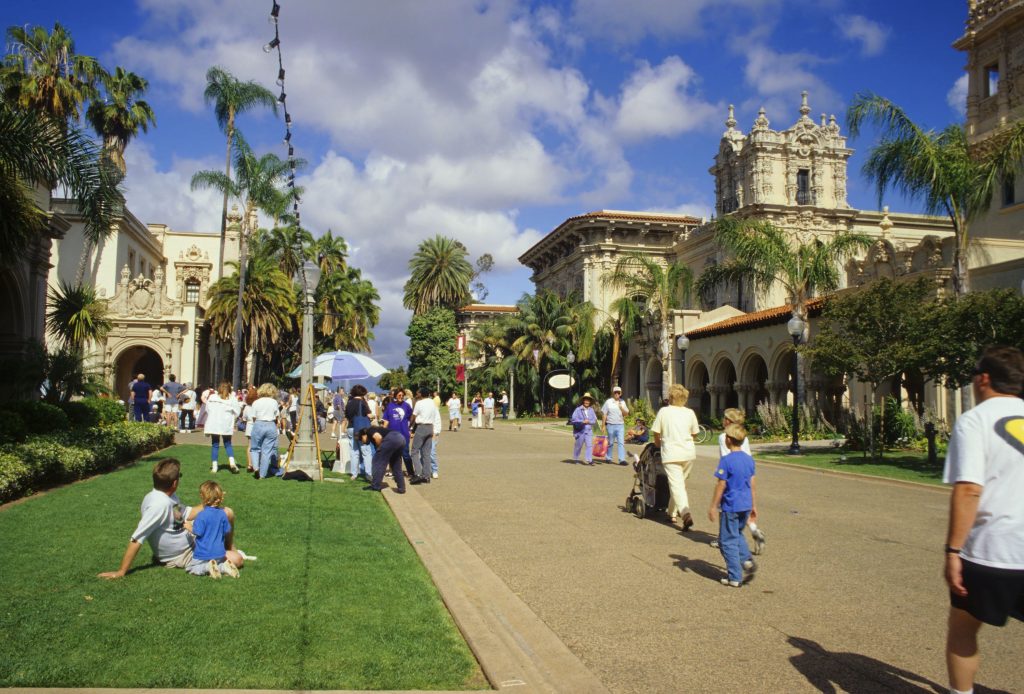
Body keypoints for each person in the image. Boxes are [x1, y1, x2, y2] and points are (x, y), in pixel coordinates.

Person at [943, 346, 1024, 694]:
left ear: (984, 378)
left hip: (992, 550)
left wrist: (952, 550)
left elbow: (969, 490)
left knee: (963, 629)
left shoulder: (975, 420)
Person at [98, 458, 243, 579]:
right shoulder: (158, 506)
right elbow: (137, 539)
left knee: (227, 512)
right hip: (182, 554)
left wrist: (212, 503)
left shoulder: (166, 496)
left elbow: (186, 513)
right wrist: (121, 572)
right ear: (174, 483)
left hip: (189, 539)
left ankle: (227, 548)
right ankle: (220, 560)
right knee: (237, 559)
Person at [707, 423, 758, 588]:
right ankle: (747, 560)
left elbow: (721, 485)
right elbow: (752, 483)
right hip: (745, 504)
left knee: (726, 541)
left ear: (728, 440)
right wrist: (754, 505)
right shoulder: (749, 460)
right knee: (737, 533)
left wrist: (714, 506)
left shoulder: (726, 461)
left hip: (731, 505)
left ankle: (735, 576)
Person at [711, 408, 766, 554]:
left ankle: (723, 537)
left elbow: (726, 456)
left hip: (732, 473)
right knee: (743, 507)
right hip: (746, 471)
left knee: (728, 507)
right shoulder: (743, 436)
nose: (722, 420)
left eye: (724, 418)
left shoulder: (725, 437)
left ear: (728, 421)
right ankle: (755, 531)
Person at [650, 383, 700, 530]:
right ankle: (671, 512)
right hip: (688, 453)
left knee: (677, 485)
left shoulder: (664, 412)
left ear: (671, 397)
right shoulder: (689, 413)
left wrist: (658, 444)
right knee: (679, 484)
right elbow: (695, 433)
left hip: (671, 453)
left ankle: (685, 513)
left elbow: (656, 433)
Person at [185, 480, 241, 579]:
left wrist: (188, 526)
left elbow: (198, 532)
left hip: (203, 553)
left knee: (191, 568)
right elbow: (227, 530)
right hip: (219, 553)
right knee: (217, 564)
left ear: (203, 497)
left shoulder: (201, 515)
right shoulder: (222, 514)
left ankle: (207, 567)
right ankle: (224, 567)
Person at [203, 381, 242, 474]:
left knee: (215, 445)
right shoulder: (232, 399)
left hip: (214, 424)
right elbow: (238, 412)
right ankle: (232, 464)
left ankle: (215, 467)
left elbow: (207, 409)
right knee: (228, 444)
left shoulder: (212, 397)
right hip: (226, 424)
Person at [357, 425, 407, 494]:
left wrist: (380, 448)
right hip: (401, 439)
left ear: (363, 435)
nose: (362, 443)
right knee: (396, 465)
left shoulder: (369, 431)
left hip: (392, 439)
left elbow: (378, 437)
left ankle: (375, 486)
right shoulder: (376, 432)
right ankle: (402, 488)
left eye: (361, 440)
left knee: (377, 462)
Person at [251, 382, 284, 479]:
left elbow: (253, 417)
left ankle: (256, 467)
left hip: (258, 423)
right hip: (270, 425)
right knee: (267, 451)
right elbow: (277, 416)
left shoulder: (256, 402)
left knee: (255, 449)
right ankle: (262, 475)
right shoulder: (274, 402)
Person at [410, 387, 439, 484]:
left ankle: (418, 474)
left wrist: (409, 426)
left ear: (421, 394)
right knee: (426, 453)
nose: (417, 394)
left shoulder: (419, 403)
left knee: (414, 451)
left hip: (421, 427)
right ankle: (427, 476)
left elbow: (414, 417)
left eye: (418, 393)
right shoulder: (432, 402)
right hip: (430, 427)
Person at [383, 388, 414, 476]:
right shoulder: (390, 406)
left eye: (403, 396)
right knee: (394, 454)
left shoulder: (406, 406)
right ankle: (396, 472)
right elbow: (386, 421)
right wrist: (383, 432)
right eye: (399, 395)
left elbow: (412, 416)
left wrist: (410, 429)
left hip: (404, 434)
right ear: (395, 395)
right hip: (392, 435)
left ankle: (411, 472)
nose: (401, 397)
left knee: (405, 454)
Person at [344, 384, 374, 480]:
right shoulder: (363, 402)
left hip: (350, 427)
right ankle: (368, 473)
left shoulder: (349, 402)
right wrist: (373, 416)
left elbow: (347, 416)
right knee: (366, 451)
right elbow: (369, 415)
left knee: (354, 451)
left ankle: (354, 474)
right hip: (361, 429)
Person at [601, 386, 630, 464]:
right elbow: (604, 414)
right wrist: (603, 425)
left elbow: (626, 413)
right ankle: (608, 458)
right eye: (615, 392)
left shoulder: (622, 402)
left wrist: (621, 408)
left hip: (620, 425)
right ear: (613, 393)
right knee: (610, 442)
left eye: (618, 392)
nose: (617, 394)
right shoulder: (608, 402)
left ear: (621, 393)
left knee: (621, 442)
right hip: (610, 425)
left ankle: (622, 459)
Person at [570, 392, 599, 465]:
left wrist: (589, 421)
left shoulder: (591, 410)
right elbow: (573, 419)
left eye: (588, 400)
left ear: (590, 402)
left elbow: (594, 420)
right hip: (580, 431)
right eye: (586, 400)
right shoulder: (578, 409)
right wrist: (582, 421)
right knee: (578, 446)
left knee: (589, 445)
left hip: (588, 431)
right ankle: (576, 458)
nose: (587, 402)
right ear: (583, 401)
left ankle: (589, 460)